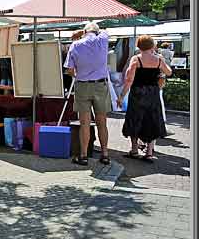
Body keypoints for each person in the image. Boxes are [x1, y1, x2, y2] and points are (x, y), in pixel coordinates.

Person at [118, 35, 172, 162]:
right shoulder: (158, 59)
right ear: (152, 45)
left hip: (137, 92)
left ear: (139, 45)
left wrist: (121, 96)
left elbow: (129, 79)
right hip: (153, 92)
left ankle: (135, 150)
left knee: (135, 118)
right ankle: (149, 152)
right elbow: (168, 72)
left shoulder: (136, 59)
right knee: (152, 119)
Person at [64, 22, 111, 166]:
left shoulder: (75, 45)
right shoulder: (102, 39)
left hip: (83, 85)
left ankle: (83, 155)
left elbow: (70, 70)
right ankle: (104, 154)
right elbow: (103, 30)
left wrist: (80, 34)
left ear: (84, 31)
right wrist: (86, 31)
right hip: (101, 86)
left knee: (84, 123)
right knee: (102, 122)